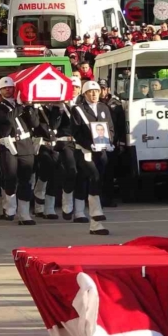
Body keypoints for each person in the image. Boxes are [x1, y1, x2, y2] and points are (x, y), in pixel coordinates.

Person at [0, 76, 38, 225]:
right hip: (9, 145)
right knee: (10, 178)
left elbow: (35, 123)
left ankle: (24, 214)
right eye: (5, 88)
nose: (8, 90)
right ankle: (9, 208)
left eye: (10, 87)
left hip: (25, 144)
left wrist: (30, 107)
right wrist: (19, 106)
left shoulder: (23, 106)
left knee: (25, 179)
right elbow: (8, 119)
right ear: (0, 90)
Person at [71, 81, 115, 235]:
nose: (94, 94)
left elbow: (110, 128)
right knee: (94, 176)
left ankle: (95, 225)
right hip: (85, 151)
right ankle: (96, 213)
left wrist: (109, 142)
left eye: (96, 91)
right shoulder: (78, 110)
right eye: (91, 91)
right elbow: (76, 133)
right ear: (84, 94)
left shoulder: (104, 108)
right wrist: (91, 145)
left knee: (99, 180)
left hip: (101, 152)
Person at [55, 77, 81, 220]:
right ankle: (67, 204)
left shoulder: (83, 104)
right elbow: (54, 125)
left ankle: (79, 210)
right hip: (66, 143)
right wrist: (58, 110)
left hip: (82, 143)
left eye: (76, 87)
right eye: (71, 87)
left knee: (82, 174)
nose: (74, 90)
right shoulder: (60, 105)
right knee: (71, 171)